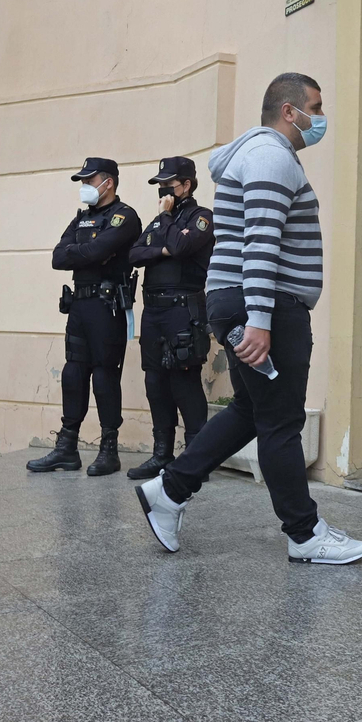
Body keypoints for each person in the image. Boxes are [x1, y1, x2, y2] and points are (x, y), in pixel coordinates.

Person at [134, 72, 362, 565]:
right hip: (266, 303)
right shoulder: (270, 158)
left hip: (239, 299)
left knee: (250, 410)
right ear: (290, 111)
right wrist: (260, 318)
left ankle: (169, 490)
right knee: (282, 421)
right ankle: (304, 535)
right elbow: (262, 242)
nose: (321, 118)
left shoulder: (259, 156)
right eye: (316, 107)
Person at [27, 158, 142, 475]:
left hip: (107, 307)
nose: (85, 187)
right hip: (79, 304)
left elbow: (91, 252)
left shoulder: (124, 217)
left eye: (89, 181)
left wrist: (84, 250)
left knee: (105, 375)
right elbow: (57, 256)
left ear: (108, 182)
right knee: (73, 373)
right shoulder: (82, 218)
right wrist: (89, 249)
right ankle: (67, 447)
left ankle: (109, 448)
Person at [125, 157, 216, 480]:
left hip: (183, 309)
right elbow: (135, 254)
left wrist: (165, 230)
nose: (163, 190)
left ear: (187, 185)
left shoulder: (201, 217)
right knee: (155, 380)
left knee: (184, 380)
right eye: (160, 185)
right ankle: (161, 454)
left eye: (169, 184)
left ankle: (196, 459)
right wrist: (161, 245)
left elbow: (179, 247)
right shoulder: (160, 220)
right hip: (154, 311)